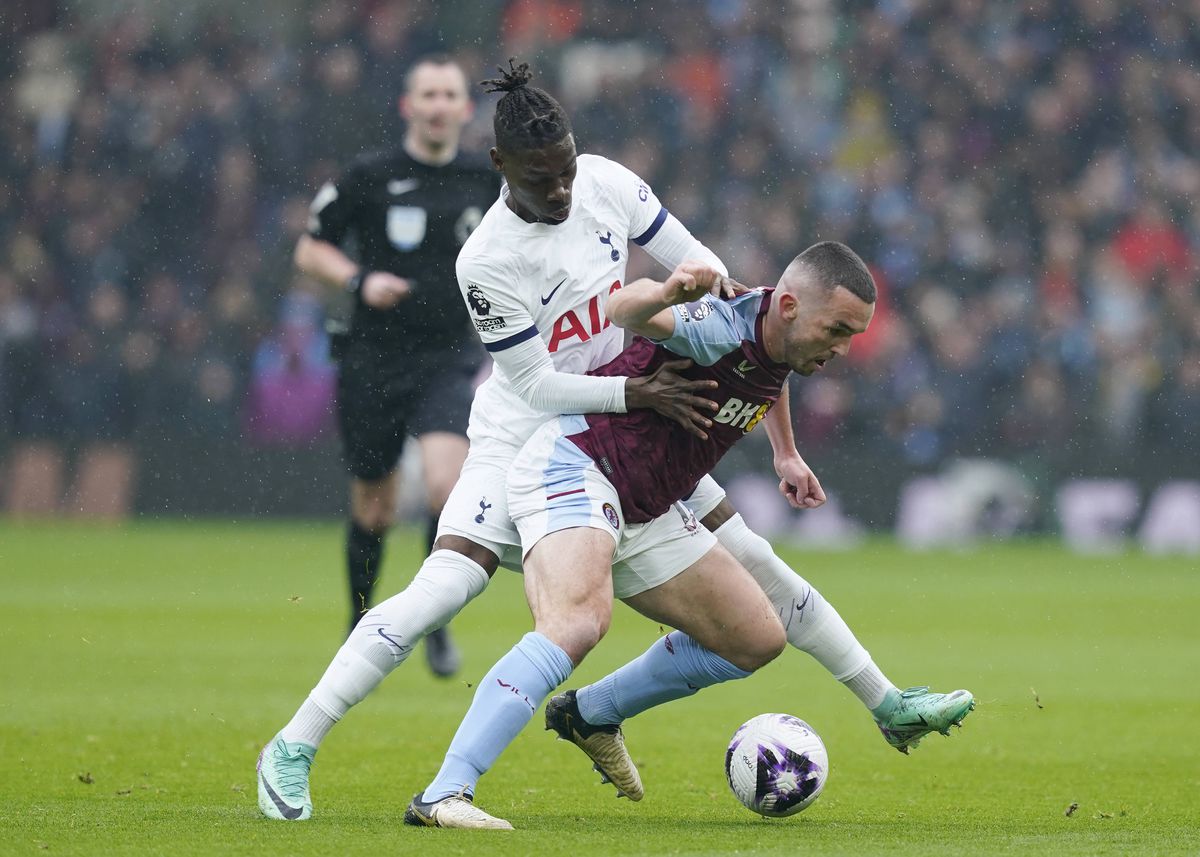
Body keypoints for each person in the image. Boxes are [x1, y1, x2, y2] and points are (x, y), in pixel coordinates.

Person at [256, 61, 953, 827]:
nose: (560, 190)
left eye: (565, 171)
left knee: (755, 584)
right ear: (500, 167)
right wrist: (640, 377)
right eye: (540, 178)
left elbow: (711, 273)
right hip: (534, 434)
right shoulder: (486, 260)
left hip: (640, 423)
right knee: (445, 590)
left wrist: (694, 301)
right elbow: (536, 386)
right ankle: (294, 745)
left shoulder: (607, 184)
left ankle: (858, 701)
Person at [404, 246, 974, 829]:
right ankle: (444, 794)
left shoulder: (778, 335)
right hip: (578, 464)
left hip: (649, 503)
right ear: (789, 305)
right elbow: (622, 306)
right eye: (837, 330)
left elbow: (771, 370)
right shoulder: (715, 322)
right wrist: (670, 289)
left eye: (851, 335)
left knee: (755, 637)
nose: (843, 348)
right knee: (576, 623)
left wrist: (785, 452)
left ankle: (591, 714)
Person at [293, 55, 498, 674]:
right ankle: (359, 626)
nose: (439, 105)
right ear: (409, 106)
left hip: (447, 357)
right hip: (373, 358)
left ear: (465, 110)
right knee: (374, 507)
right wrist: (360, 279)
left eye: (450, 95)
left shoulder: (485, 179)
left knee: (445, 484)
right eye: (428, 94)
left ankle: (433, 623)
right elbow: (310, 247)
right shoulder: (369, 175)